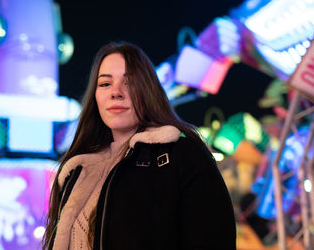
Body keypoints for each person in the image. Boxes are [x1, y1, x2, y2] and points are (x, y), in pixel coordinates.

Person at [42, 42, 236, 250]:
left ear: (147, 90)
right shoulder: (78, 170)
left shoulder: (182, 155)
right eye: (105, 84)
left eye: (129, 82)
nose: (116, 92)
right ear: (95, 96)